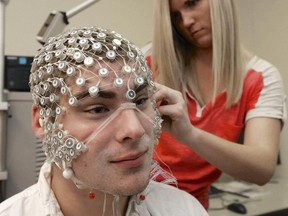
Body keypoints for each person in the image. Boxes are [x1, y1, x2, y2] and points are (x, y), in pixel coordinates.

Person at [0, 26, 209, 216]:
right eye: (98, 109)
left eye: (141, 100)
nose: (135, 129)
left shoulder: (185, 210)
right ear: (43, 122)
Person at [148, 0, 287, 209]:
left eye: (192, 3)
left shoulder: (260, 78)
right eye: (175, 16)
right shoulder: (149, 63)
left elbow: (262, 168)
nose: (186, 21)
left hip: (193, 208)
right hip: (135, 203)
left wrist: (189, 134)